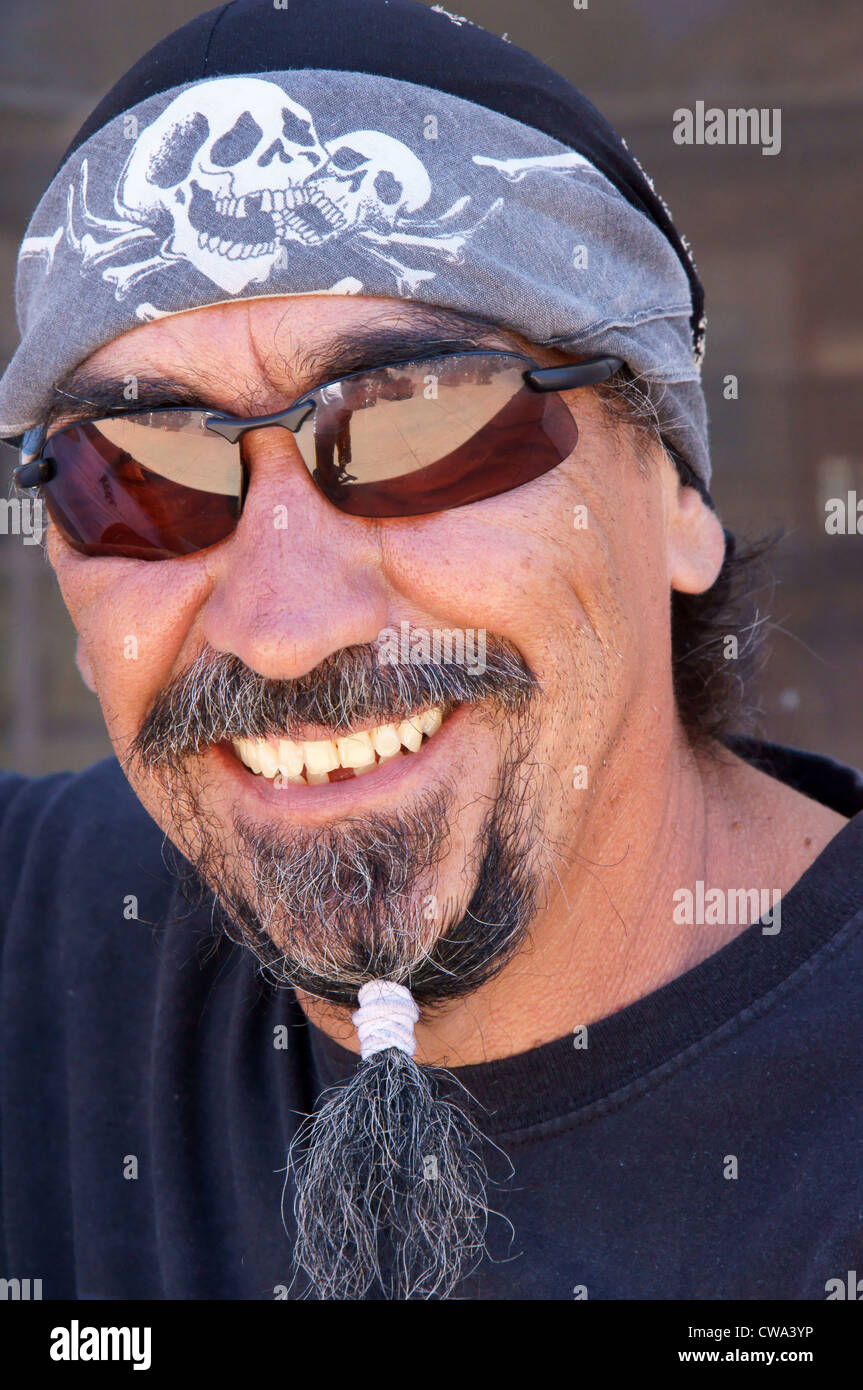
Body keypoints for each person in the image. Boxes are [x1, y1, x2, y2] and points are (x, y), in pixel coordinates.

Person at [0, 0, 860, 1301]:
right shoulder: (36, 942)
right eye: (145, 476)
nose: (286, 628)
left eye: (419, 427)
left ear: (680, 496)